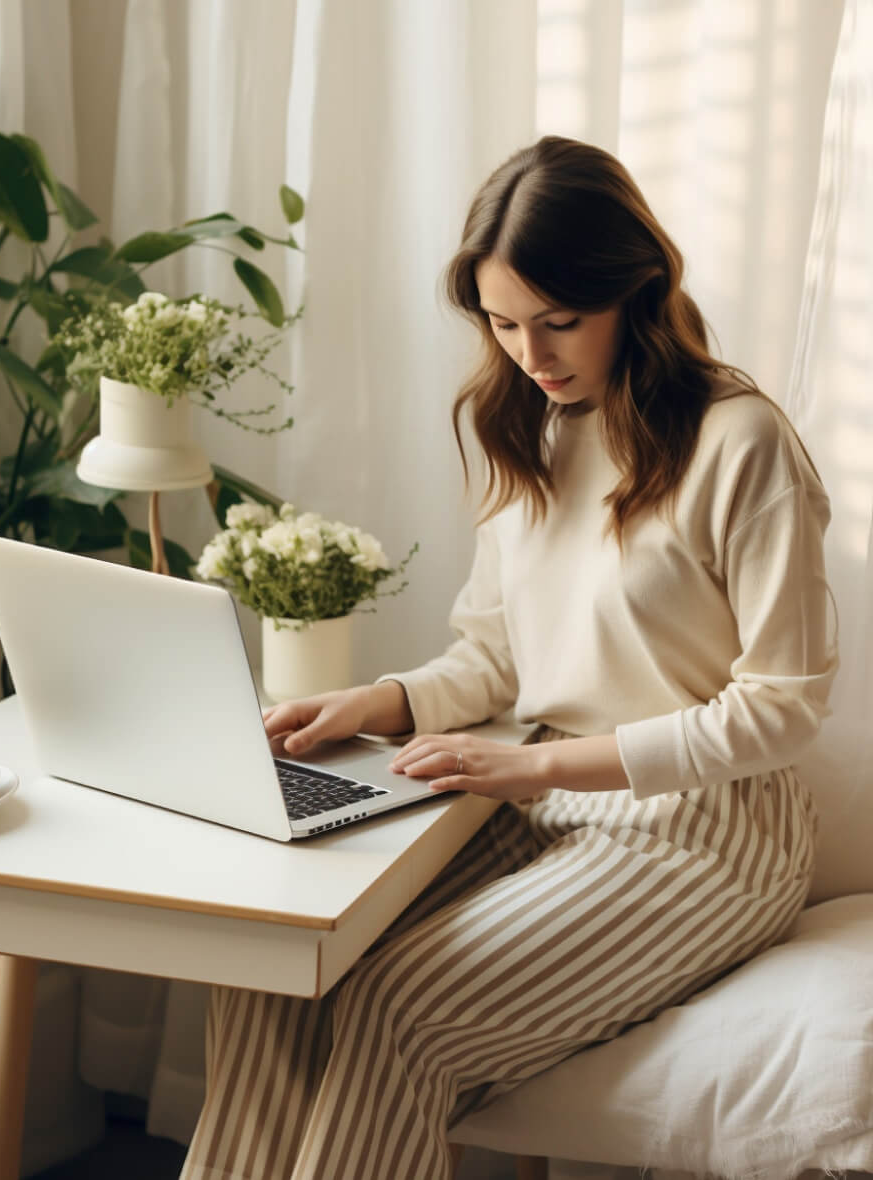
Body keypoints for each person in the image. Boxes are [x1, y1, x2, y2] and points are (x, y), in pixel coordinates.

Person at [180, 136, 837, 1180]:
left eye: (557, 322)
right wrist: (376, 701)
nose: (529, 352)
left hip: (705, 825)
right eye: (500, 323)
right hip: (531, 805)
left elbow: (780, 708)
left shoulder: (738, 441)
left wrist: (529, 765)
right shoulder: (523, 426)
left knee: (399, 1010)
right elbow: (491, 658)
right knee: (273, 971)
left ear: (636, 291)